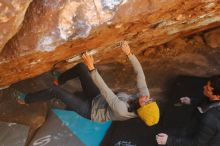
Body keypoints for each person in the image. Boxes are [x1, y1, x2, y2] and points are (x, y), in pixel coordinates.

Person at [13, 41, 159, 126]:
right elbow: (140, 75)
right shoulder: (144, 97)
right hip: (98, 98)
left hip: (90, 110)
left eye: (146, 102)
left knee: (56, 92)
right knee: (81, 68)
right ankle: (60, 79)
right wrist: (129, 54)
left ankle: (26, 99)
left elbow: (105, 90)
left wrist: (92, 67)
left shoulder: (122, 110)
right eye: (150, 100)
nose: (147, 98)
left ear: (141, 109)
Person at [156, 75, 220, 146]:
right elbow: (205, 101)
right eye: (206, 85)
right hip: (194, 128)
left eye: (208, 89)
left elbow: (196, 143)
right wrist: (191, 101)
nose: (204, 87)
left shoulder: (210, 120)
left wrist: (169, 141)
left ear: (218, 96)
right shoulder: (213, 99)